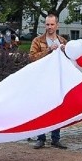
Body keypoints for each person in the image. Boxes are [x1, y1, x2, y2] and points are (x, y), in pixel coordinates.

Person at [29, 14, 68, 149]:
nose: (49, 27)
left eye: (52, 24)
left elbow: (70, 60)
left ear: (57, 25)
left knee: (57, 109)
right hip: (41, 80)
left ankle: (55, 138)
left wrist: (65, 51)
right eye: (47, 24)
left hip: (57, 80)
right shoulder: (38, 41)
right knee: (41, 109)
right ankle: (41, 138)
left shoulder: (62, 40)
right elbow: (32, 58)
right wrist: (48, 50)